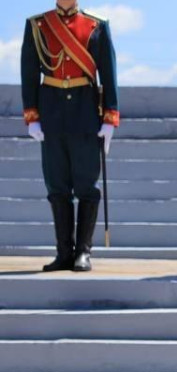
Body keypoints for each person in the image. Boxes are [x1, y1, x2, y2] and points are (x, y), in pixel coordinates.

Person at [21, 0, 119, 273]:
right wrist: (32, 115)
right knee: (57, 186)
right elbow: (29, 72)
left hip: (85, 111)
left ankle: (83, 253)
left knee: (86, 185)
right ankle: (64, 253)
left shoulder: (97, 25)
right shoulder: (37, 25)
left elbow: (108, 73)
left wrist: (110, 117)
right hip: (51, 111)